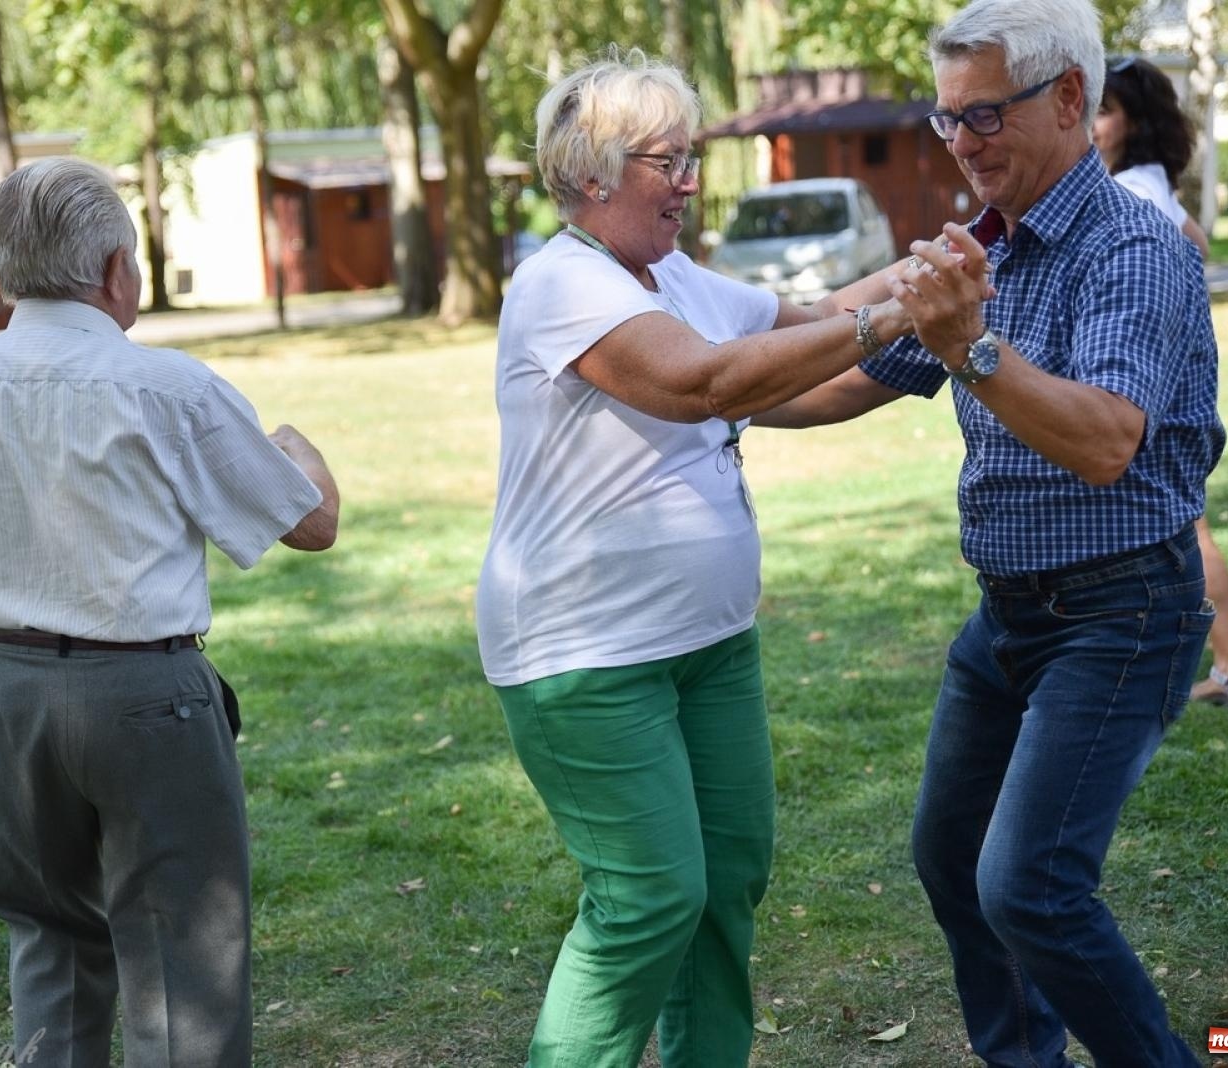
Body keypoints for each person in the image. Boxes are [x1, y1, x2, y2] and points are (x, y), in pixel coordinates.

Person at [760, 0, 1222, 1062]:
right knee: (952, 856)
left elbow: (1105, 442)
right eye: (946, 122)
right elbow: (836, 381)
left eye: (981, 118)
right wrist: (699, 399)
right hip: (1008, 617)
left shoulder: (1135, 253)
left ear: (1068, 99)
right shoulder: (986, 249)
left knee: (1028, 887)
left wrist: (969, 344)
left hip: (1121, 611)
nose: (961, 146)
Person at [474, 48, 925, 1068]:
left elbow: (804, 350)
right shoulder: (562, 284)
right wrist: (889, 316)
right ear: (592, 174)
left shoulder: (668, 275)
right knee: (647, 897)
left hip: (709, 643)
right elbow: (705, 384)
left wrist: (932, 295)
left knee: (726, 880)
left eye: (691, 158)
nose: (690, 182)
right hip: (585, 654)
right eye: (666, 161)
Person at [0, 158, 339, 1066]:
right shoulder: (169, 386)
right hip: (144, 694)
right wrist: (295, 446)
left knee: (47, 933)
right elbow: (312, 524)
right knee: (183, 953)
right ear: (111, 272)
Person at [1095, 56, 1228, 707]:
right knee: (1183, 527)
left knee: (1186, 529)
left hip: (1151, 390)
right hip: (1170, 382)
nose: (1090, 125)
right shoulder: (1151, 184)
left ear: (1134, 125)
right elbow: (1197, 244)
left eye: (1102, 112)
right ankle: (1224, 666)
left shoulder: (1129, 195)